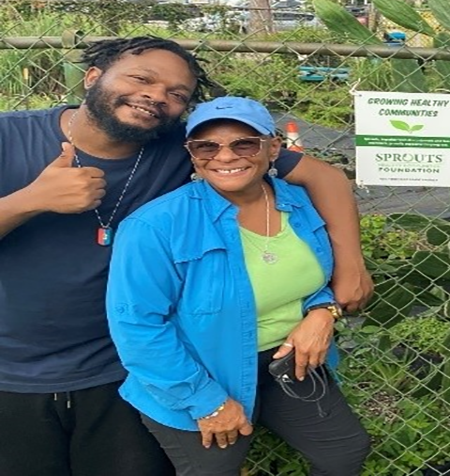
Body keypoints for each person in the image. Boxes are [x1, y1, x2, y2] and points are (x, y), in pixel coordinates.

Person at [0, 37, 372, 476]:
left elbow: (325, 177)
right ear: (93, 77)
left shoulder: (193, 145)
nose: (156, 96)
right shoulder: (10, 136)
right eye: (142, 78)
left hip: (119, 365)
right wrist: (28, 201)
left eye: (176, 93)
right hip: (14, 365)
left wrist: (347, 272)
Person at [107, 97, 371, 475]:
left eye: (244, 144)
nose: (225, 156)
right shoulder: (155, 226)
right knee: (217, 469)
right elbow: (137, 326)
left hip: (287, 361)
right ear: (192, 154)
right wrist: (206, 402)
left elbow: (315, 279)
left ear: (273, 148)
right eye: (207, 146)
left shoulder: (300, 204)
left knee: (344, 452)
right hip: (200, 373)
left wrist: (322, 311)